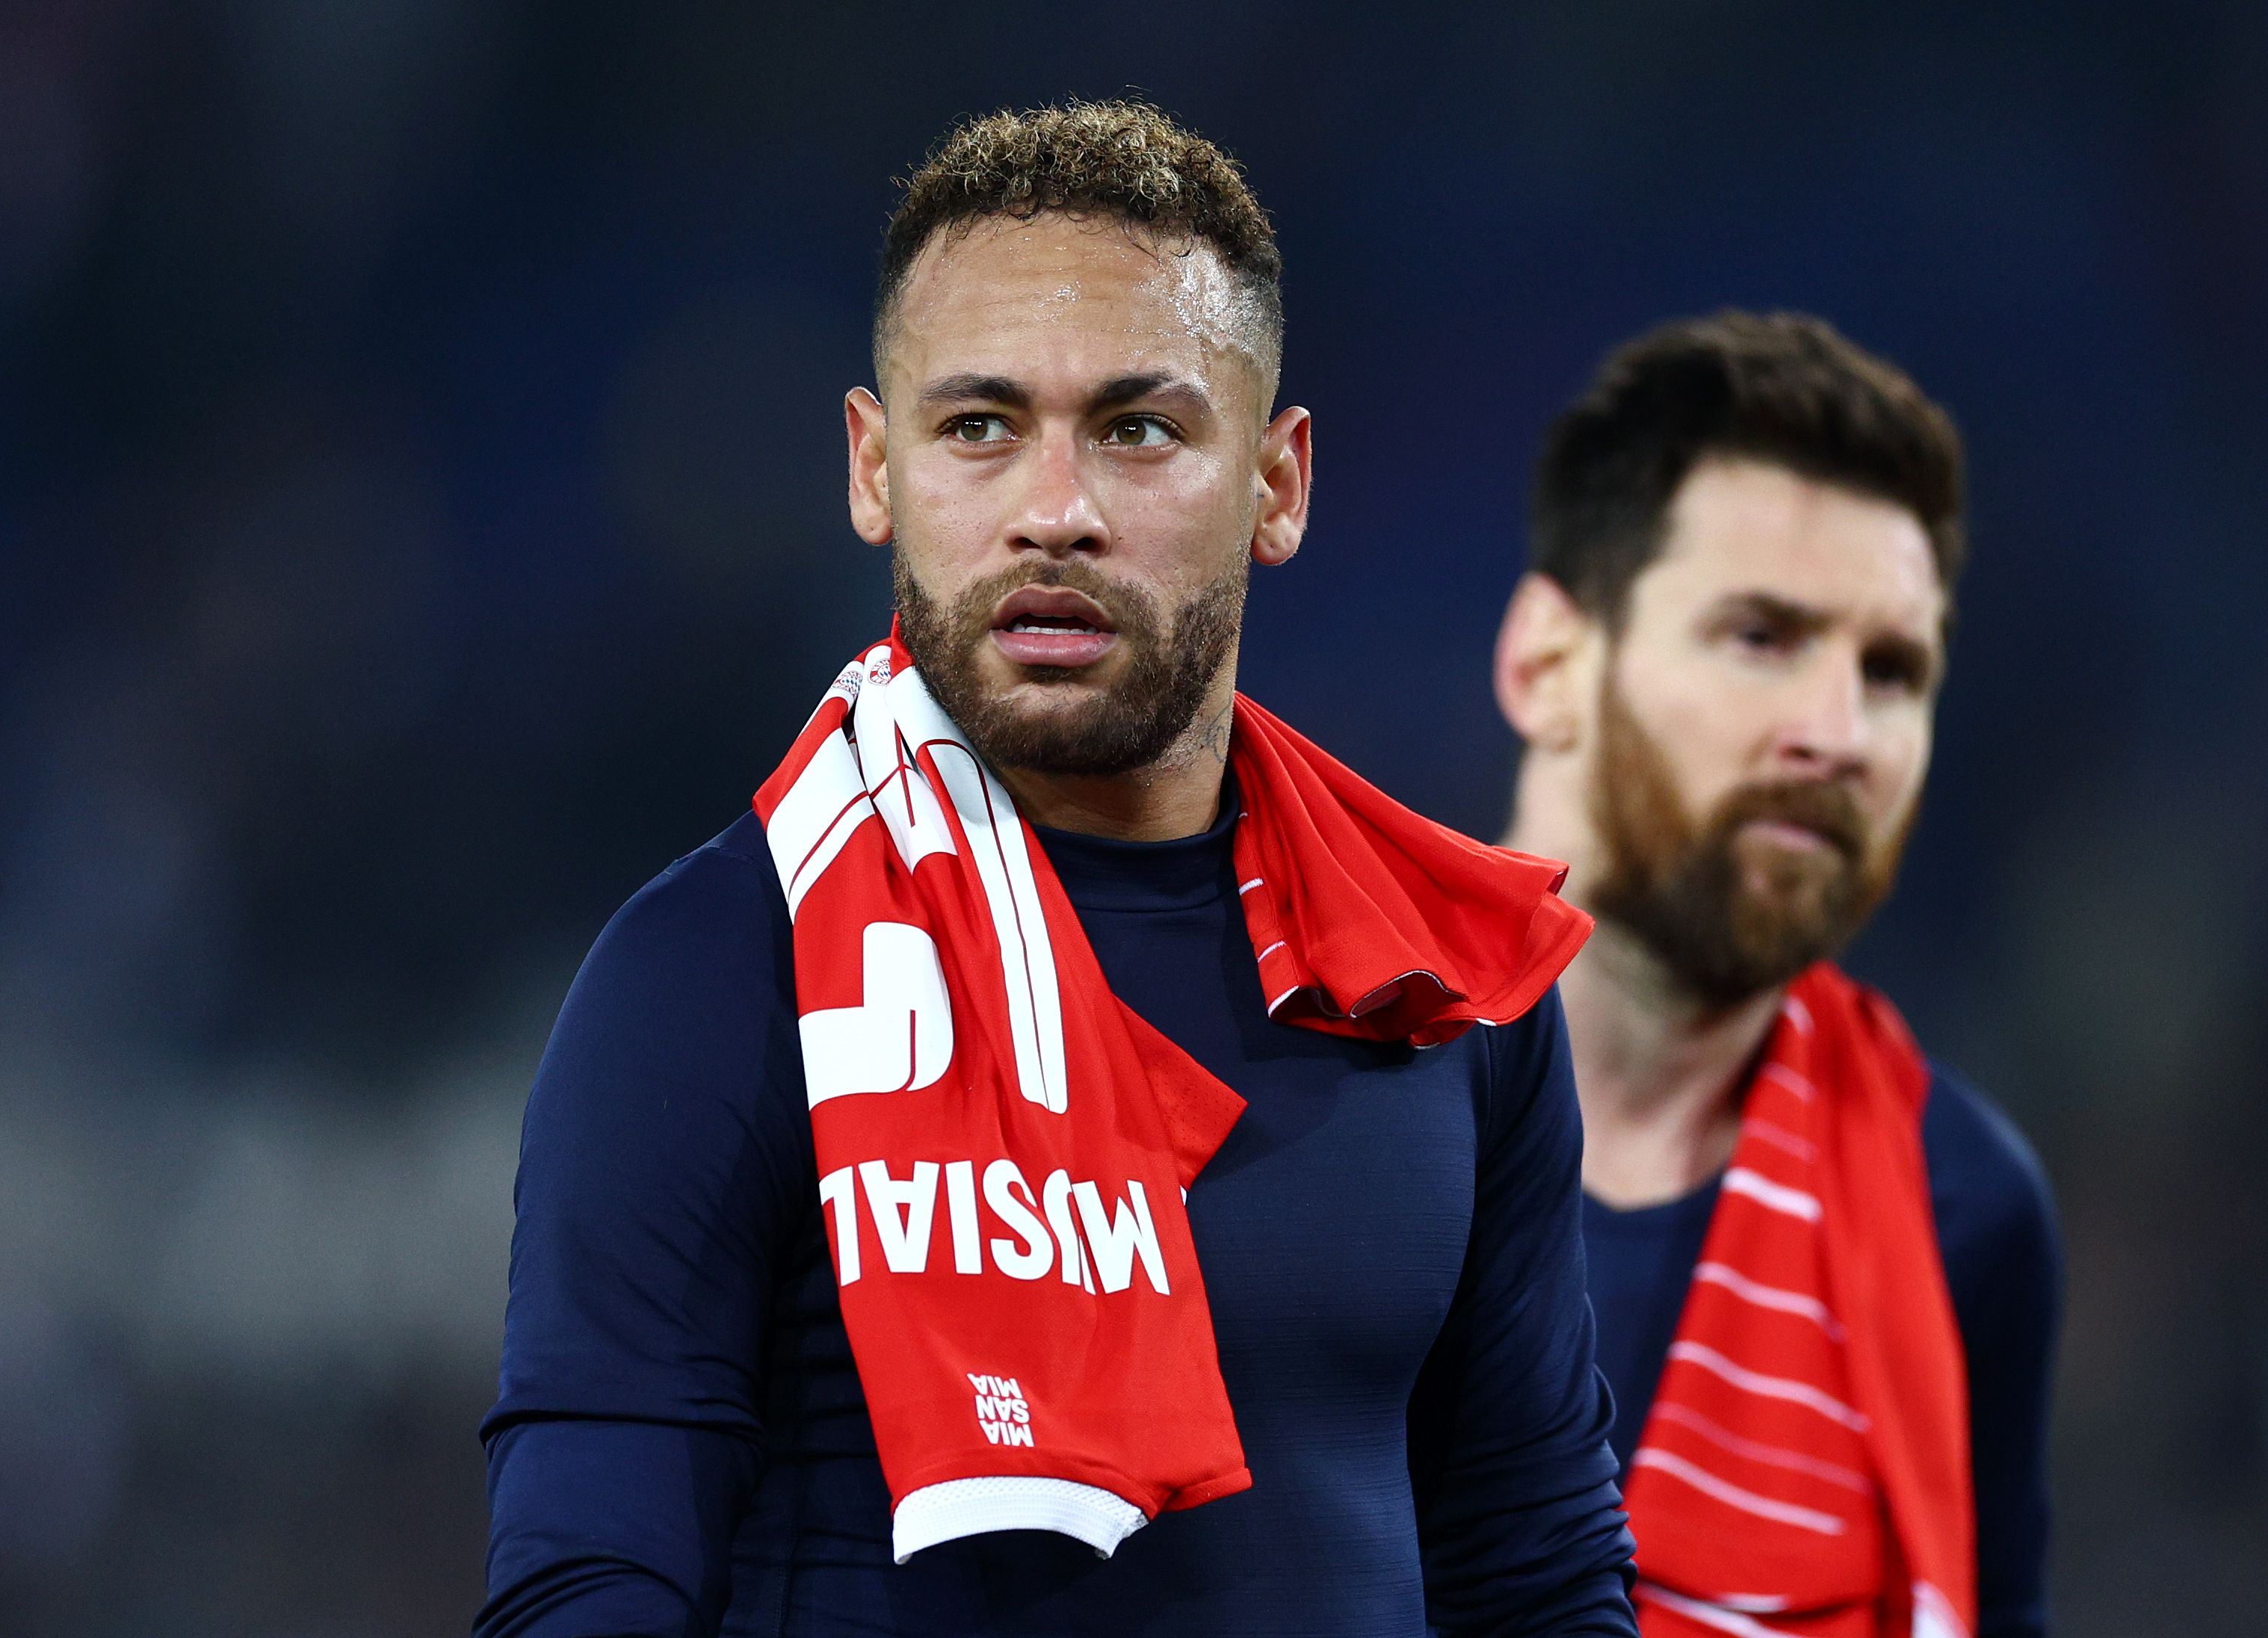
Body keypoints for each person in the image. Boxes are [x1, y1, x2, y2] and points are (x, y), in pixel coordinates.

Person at [477, 102, 1638, 1637]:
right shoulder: (710, 975)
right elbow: (587, 1582)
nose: (1055, 511)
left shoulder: (1444, 985)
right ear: (874, 468)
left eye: (1139, 428)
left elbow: (1538, 1574)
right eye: (980, 428)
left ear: (1278, 485)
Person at [1492, 312, 2062, 1638]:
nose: (1840, 733)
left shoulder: (1963, 1210)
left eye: (1892, 670)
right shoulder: (1269, 1088)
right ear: (1548, 664)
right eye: (1762, 636)